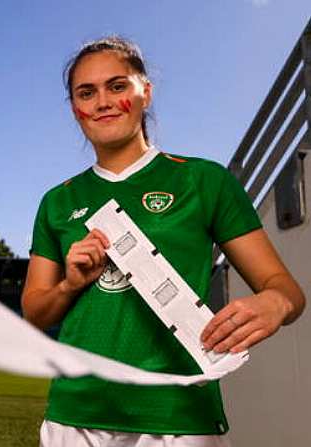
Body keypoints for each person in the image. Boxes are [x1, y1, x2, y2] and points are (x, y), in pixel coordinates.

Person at [22, 36, 305, 447]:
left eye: (117, 86)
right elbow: (34, 313)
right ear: (74, 109)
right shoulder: (58, 200)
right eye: (87, 92)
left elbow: (287, 291)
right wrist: (70, 285)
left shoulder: (204, 181)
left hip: (179, 414)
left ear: (145, 92)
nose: (102, 101)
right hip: (76, 414)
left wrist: (274, 303)